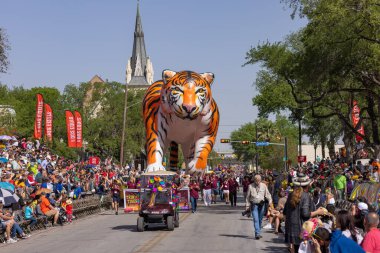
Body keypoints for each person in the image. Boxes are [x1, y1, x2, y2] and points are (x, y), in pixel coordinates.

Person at [284, 173, 326, 253]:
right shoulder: (305, 196)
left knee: (297, 249)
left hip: (291, 227)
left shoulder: (290, 195)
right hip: (301, 228)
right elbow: (305, 214)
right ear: (307, 185)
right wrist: (318, 212)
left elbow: (285, 212)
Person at [246, 174, 273, 240]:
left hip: (261, 205)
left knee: (260, 219)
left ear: (260, 180)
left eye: (259, 180)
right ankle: (257, 233)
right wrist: (247, 206)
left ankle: (258, 232)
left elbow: (268, 195)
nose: (257, 182)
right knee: (256, 219)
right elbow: (247, 198)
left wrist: (270, 202)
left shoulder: (264, 186)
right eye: (256, 180)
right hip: (254, 205)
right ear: (254, 180)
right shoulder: (250, 186)